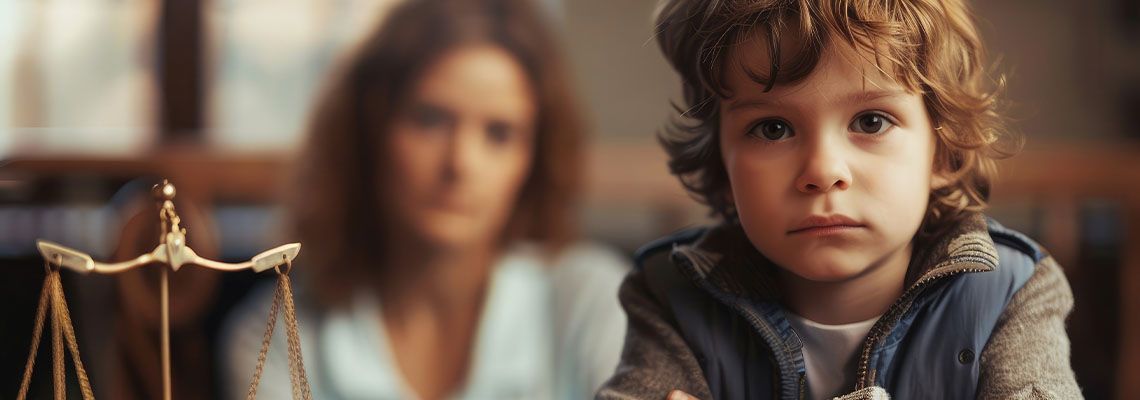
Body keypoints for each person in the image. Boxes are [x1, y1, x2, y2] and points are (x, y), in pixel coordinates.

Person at [597, 0, 1081, 399]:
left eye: (871, 122)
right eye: (773, 128)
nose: (823, 172)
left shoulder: (1010, 292)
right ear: (722, 167)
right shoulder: (671, 294)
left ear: (944, 152)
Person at [220, 0, 627, 398]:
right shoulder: (277, 333)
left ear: (535, 158)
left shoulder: (592, 304)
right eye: (430, 119)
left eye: (499, 133)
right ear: (369, 129)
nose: (461, 163)